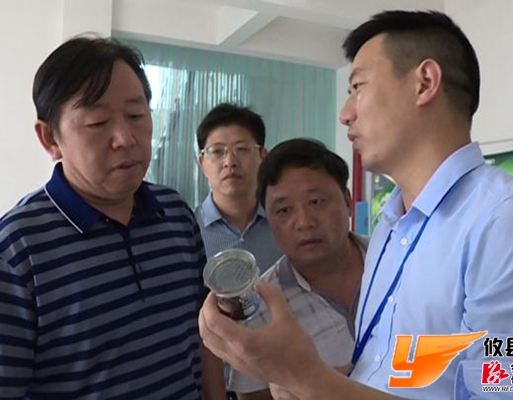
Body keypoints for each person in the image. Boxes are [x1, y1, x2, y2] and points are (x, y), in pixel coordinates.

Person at [199, 10, 513, 400]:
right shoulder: (392, 226)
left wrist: (308, 378)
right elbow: (410, 372)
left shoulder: (512, 221)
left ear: (425, 83)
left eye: (358, 86)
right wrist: (320, 381)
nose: (345, 114)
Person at [0, 37, 210, 399]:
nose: (125, 138)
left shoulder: (176, 214)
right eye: (97, 122)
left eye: (136, 115)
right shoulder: (17, 251)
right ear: (50, 138)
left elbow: (206, 335)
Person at [229, 139, 367, 400]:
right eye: (284, 210)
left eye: (315, 202)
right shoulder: (261, 309)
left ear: (347, 200)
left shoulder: (396, 261)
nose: (304, 222)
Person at [196, 103, 283, 399]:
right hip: (215, 386)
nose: (230, 161)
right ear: (202, 163)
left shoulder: (286, 227)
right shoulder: (187, 231)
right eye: (217, 151)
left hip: (283, 381)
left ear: (263, 156)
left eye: (242, 149)